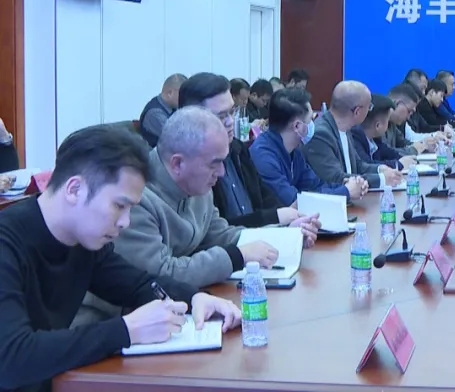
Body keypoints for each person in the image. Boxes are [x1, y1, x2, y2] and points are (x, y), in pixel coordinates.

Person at [0, 125, 240, 392]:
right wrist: (126, 330)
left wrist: (194, 298)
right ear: (74, 189)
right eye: (119, 206)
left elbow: (137, 284)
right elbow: (11, 358)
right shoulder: (7, 243)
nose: (125, 222)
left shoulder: (85, 241)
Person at [77, 108, 278, 322]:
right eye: (214, 163)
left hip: (163, 309)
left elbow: (218, 233)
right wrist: (237, 256)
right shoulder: (135, 198)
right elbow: (159, 273)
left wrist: (278, 238)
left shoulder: (199, 185)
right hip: (111, 321)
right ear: (177, 163)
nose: (221, 172)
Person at [178, 73, 319, 242]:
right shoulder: (192, 166)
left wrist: (289, 222)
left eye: (232, 112)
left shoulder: (237, 149)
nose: (231, 121)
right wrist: (276, 217)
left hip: (258, 241)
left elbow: (263, 195)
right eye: (221, 116)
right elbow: (217, 232)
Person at [250, 88, 369, 205]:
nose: (314, 124)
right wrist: (346, 192)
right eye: (311, 119)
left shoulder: (294, 152)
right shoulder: (263, 156)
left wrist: (345, 185)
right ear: (297, 126)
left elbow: (315, 186)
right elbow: (293, 202)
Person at [354, 95, 417, 169]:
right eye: (388, 120)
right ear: (378, 126)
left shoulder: (375, 141)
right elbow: (367, 165)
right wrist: (399, 164)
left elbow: (389, 153)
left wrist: (408, 160)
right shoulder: (355, 139)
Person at [383, 83, 436, 158]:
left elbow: (404, 143)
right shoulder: (377, 121)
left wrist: (424, 145)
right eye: (409, 111)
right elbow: (385, 153)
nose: (408, 117)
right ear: (397, 104)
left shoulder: (392, 123)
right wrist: (414, 149)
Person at [138, 73, 187, 148]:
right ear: (170, 93)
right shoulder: (154, 113)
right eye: (182, 94)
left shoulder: (173, 107)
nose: (185, 98)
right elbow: (177, 138)